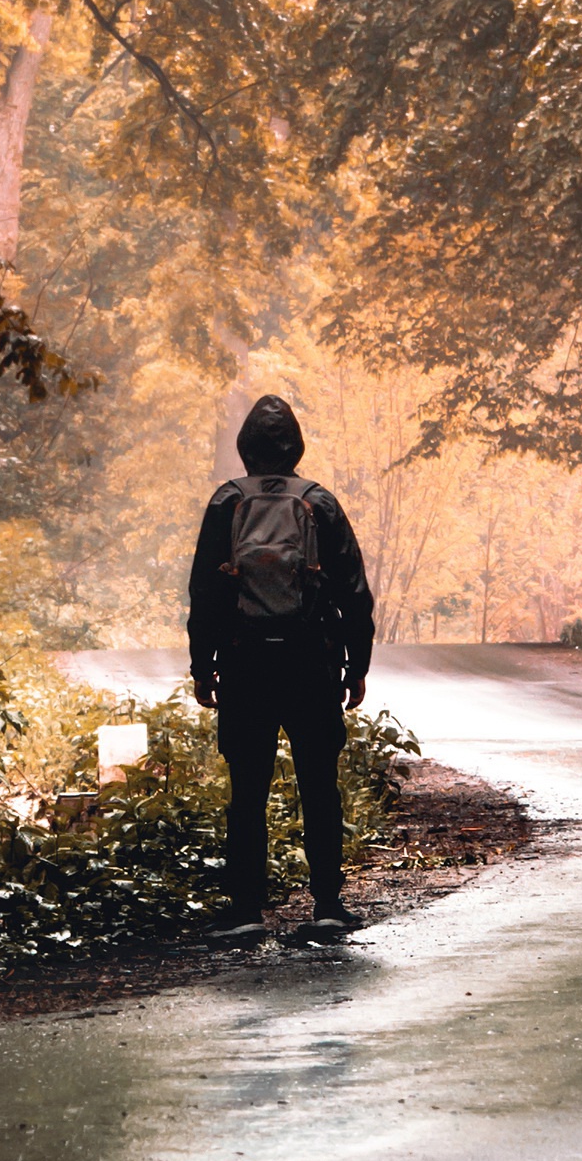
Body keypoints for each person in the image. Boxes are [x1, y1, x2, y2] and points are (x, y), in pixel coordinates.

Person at [183, 394, 377, 941]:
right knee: (319, 783)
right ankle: (328, 906)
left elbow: (205, 592)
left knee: (247, 787)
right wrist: (356, 664)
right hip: (311, 660)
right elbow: (354, 592)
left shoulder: (227, 501)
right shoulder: (319, 502)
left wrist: (203, 665)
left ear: (246, 449)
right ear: (296, 447)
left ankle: (245, 909)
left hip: (246, 662)